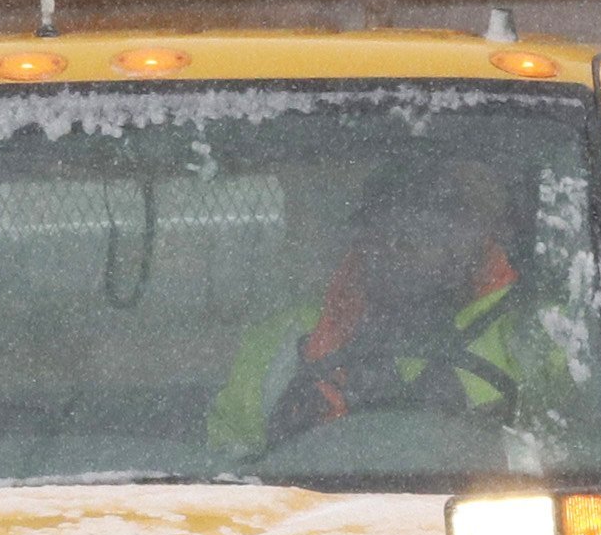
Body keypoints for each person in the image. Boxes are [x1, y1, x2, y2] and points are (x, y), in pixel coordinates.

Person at [207, 159, 561, 458]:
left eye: (433, 230)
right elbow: (229, 462)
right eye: (394, 230)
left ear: (473, 237)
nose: (408, 248)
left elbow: (572, 448)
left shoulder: (538, 333)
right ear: (365, 238)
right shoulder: (287, 339)